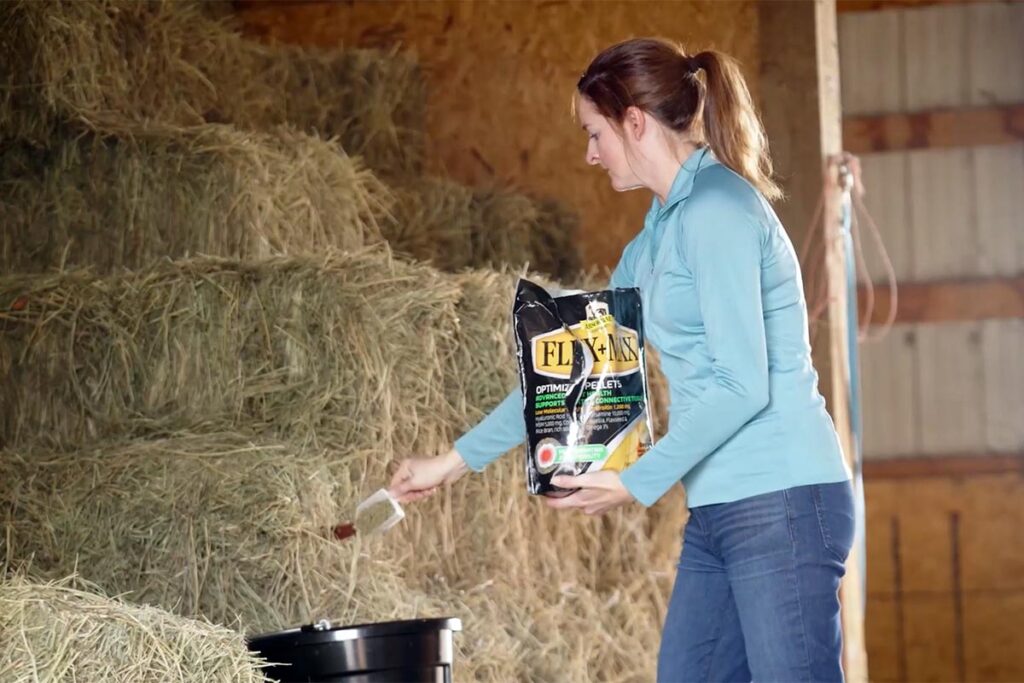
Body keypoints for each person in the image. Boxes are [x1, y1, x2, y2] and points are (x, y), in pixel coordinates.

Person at [390, 37, 854, 683]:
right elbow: (574, 367)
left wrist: (634, 479)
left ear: (634, 121)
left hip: (782, 500)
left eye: (594, 132)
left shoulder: (719, 210)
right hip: (722, 508)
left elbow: (743, 385)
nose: (588, 153)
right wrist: (449, 462)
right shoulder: (658, 233)